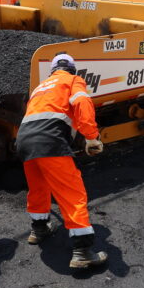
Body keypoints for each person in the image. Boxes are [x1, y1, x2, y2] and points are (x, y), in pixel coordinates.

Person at [15, 53, 108, 270]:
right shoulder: (73, 80)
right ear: (72, 69)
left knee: (38, 187)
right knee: (72, 192)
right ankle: (83, 251)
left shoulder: (41, 86)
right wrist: (92, 137)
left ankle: (39, 229)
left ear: (53, 71)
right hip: (49, 141)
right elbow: (82, 103)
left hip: (24, 141)